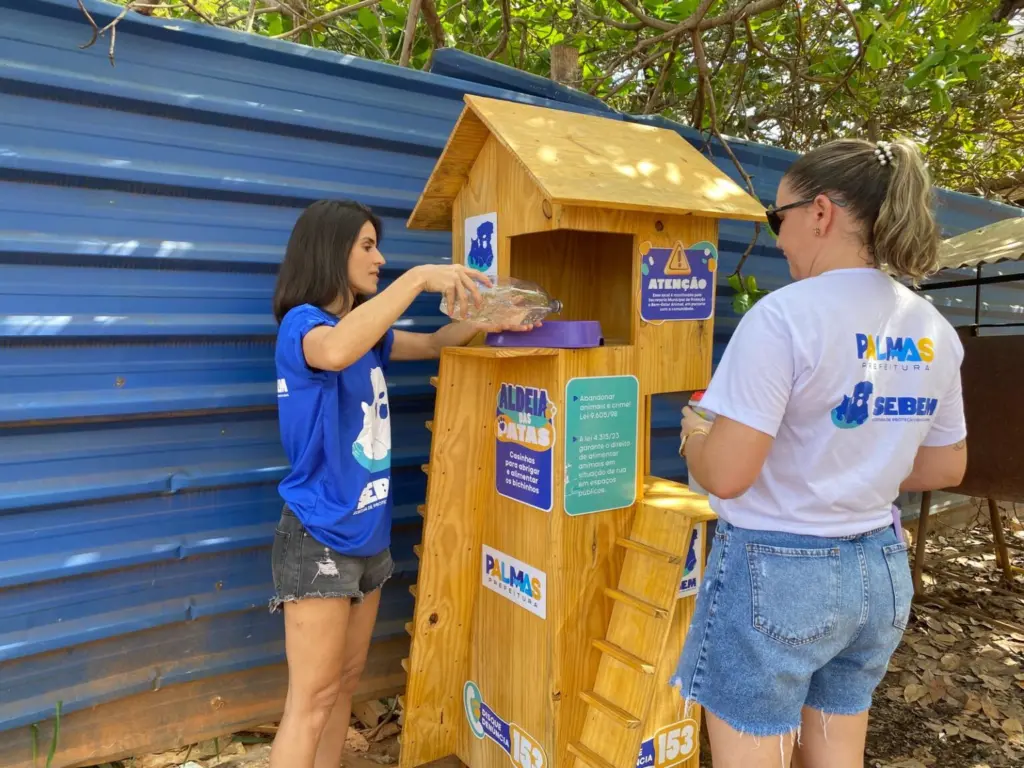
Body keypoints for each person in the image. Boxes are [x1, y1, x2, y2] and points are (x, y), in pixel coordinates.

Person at [674, 139, 968, 768]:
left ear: (820, 212)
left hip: (776, 571)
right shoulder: (932, 327)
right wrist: (857, 461)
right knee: (836, 749)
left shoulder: (783, 316)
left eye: (776, 217)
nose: (777, 238)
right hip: (879, 570)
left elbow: (726, 474)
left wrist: (694, 435)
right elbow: (947, 465)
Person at [268, 199, 533, 768]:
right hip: (320, 534)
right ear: (329, 250)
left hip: (369, 536)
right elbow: (335, 352)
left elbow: (435, 345)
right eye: (367, 246)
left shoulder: (367, 335)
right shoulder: (304, 327)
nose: (380, 259)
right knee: (310, 699)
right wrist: (417, 278)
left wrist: (491, 320)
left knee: (344, 683)